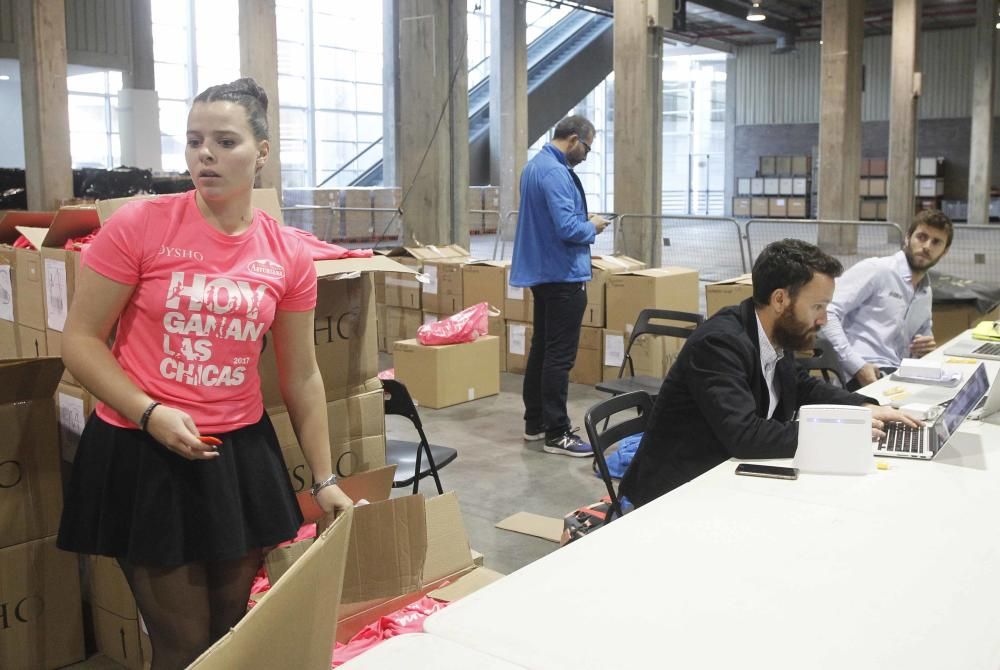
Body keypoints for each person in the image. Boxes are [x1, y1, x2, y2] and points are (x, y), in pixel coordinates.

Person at [57, 78, 352, 670]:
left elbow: (302, 377)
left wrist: (324, 480)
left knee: (228, 635)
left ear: (262, 151)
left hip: (237, 456)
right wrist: (150, 412)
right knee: (183, 643)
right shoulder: (141, 227)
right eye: (194, 142)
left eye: (224, 140)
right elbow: (80, 343)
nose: (205, 155)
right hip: (144, 453)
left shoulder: (287, 254)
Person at [619, 239, 918, 508]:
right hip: (673, 496)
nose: (824, 319)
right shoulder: (719, 344)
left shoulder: (774, 333)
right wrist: (838, 433)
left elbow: (799, 385)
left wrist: (862, 407)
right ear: (780, 300)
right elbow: (745, 435)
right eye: (817, 306)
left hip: (723, 479)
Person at [509, 115, 611, 457]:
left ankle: (535, 422)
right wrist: (593, 226)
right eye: (587, 148)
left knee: (542, 350)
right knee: (559, 356)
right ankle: (557, 432)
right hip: (563, 274)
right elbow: (568, 228)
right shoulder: (555, 173)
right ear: (573, 139)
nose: (586, 155)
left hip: (543, 273)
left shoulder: (533, 168)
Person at [823, 209, 953, 390]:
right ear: (908, 238)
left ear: (944, 251)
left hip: (898, 374)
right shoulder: (877, 270)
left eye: (936, 242)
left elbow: (924, 334)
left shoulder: (925, 291)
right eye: (922, 237)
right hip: (863, 373)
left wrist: (925, 345)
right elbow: (827, 312)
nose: (927, 246)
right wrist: (857, 365)